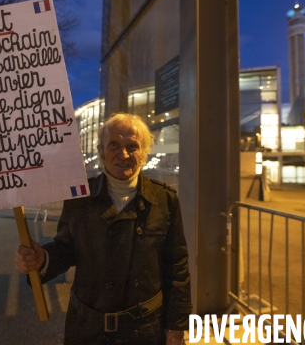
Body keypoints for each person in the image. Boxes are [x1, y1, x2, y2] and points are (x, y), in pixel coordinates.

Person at [15, 113, 192, 345]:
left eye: (132, 146)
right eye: (114, 145)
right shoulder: (80, 198)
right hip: (88, 331)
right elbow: (66, 248)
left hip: (146, 331)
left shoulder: (165, 200)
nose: (124, 154)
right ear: (101, 151)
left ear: (144, 153)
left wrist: (176, 327)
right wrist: (42, 259)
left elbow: (177, 267)